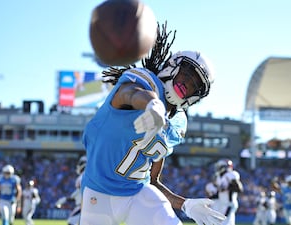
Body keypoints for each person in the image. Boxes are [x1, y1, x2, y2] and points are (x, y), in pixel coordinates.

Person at [79, 24, 226, 225]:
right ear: (173, 66)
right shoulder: (145, 82)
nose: (186, 84)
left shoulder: (177, 122)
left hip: (138, 193)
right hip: (99, 193)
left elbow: (153, 180)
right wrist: (152, 104)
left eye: (194, 86)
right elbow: (129, 93)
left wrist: (185, 205)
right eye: (186, 75)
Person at [55, 155, 86, 225]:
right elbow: (79, 193)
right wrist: (66, 199)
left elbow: (80, 192)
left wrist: (65, 199)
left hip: (84, 207)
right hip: (90, 206)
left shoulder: (82, 177)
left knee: (71, 222)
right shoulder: (89, 176)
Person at [213, 159, 244, 225]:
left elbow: (239, 189)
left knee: (224, 223)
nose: (218, 168)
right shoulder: (219, 177)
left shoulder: (231, 175)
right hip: (223, 204)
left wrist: (227, 187)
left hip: (229, 204)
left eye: (219, 167)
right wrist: (209, 198)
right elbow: (220, 194)